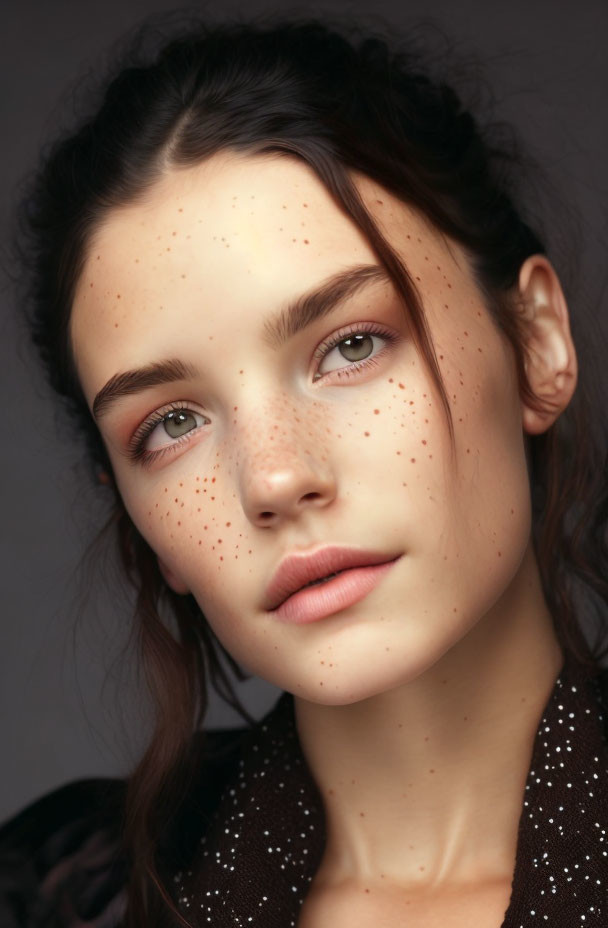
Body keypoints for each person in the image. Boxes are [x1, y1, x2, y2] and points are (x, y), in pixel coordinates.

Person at [1, 15, 607, 928]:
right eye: (172, 424)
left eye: (352, 346)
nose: (274, 481)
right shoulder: (62, 898)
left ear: (536, 344)